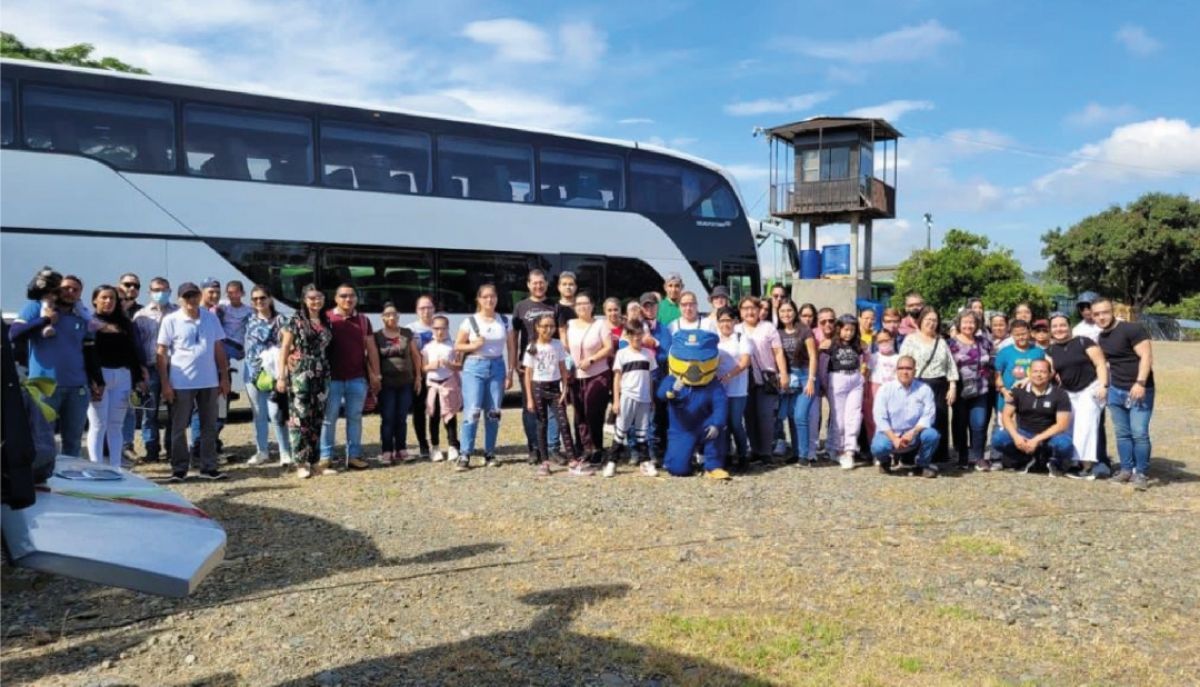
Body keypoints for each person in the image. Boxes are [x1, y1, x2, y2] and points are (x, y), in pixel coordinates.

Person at [11, 273, 90, 457]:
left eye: (75, 290)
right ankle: (46, 473)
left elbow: (89, 351)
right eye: (66, 288)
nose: (70, 292)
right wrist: (45, 320)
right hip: (44, 387)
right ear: (56, 289)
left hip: (77, 388)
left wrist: (95, 381)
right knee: (43, 441)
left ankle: (70, 475)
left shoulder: (81, 315)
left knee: (73, 442)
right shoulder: (37, 307)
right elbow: (13, 333)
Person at [157, 281, 230, 481]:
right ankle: (179, 469)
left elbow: (218, 348)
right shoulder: (171, 320)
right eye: (186, 296)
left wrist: (224, 377)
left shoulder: (210, 318)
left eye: (194, 295)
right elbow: (161, 352)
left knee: (209, 426)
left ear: (199, 296)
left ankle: (208, 467)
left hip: (209, 381)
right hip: (181, 382)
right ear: (180, 299)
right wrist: (165, 383)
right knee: (179, 427)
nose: (191, 300)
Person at [1092, 298, 1155, 490]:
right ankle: (1126, 470)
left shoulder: (1132, 329)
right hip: (1116, 390)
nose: (1101, 317)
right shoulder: (1102, 337)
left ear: (1112, 311)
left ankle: (1141, 473)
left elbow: (1146, 356)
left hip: (1139, 389)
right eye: (1096, 314)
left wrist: (1140, 383)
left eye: (1104, 312)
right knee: (1122, 434)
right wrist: (1105, 386)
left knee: (1139, 433)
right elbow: (1106, 364)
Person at [454, 283, 516, 470]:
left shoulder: (504, 321)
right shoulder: (470, 321)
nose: (489, 300)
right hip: (475, 366)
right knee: (472, 411)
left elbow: (511, 347)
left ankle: (490, 453)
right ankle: (465, 454)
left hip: (497, 366)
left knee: (493, 412)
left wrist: (510, 372)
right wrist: (473, 345)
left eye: (493, 296)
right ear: (479, 300)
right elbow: (458, 345)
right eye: (485, 297)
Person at [320, 284, 382, 471]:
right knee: (328, 419)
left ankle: (353, 456)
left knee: (354, 418)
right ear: (336, 298)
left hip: (357, 378)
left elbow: (371, 348)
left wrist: (376, 374)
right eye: (343, 296)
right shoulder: (326, 318)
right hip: (332, 379)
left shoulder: (363, 320)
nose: (348, 299)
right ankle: (325, 456)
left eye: (352, 295)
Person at [84, 285, 145, 467]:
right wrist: (94, 379)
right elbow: (87, 354)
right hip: (100, 377)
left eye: (112, 298)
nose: (108, 301)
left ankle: (116, 467)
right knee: (98, 424)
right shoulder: (90, 323)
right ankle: (96, 467)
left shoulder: (124, 323)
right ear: (95, 300)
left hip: (123, 376)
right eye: (104, 297)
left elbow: (131, 352)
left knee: (116, 425)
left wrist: (138, 378)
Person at [277, 284, 333, 479]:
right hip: (301, 373)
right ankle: (301, 462)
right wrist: (282, 375)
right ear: (304, 300)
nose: (316, 301)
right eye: (312, 298)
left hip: (322, 373)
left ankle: (314, 462)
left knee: (317, 417)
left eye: (319, 297)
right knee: (300, 417)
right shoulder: (295, 320)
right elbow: (285, 348)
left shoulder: (326, 320)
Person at [1046, 312, 1108, 478]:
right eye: (1055, 326)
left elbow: (1100, 363)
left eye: (1062, 325)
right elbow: (1047, 372)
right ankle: (1071, 461)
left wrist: (1103, 385)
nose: (1059, 329)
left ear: (1069, 326)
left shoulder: (1083, 341)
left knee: (1085, 425)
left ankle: (1086, 465)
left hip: (1090, 388)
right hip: (1069, 392)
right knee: (1067, 426)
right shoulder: (1050, 350)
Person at [991, 359, 1074, 475]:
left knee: (1065, 444)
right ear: (1029, 373)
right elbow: (1006, 416)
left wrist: (1037, 439)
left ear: (1050, 374)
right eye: (1035, 371)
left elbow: (1062, 425)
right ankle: (1025, 459)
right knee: (998, 439)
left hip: (1049, 436)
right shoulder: (1018, 390)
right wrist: (1016, 437)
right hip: (1024, 433)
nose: (1039, 375)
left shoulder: (1060, 394)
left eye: (1043, 372)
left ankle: (1055, 464)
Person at [523, 314, 581, 477]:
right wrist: (529, 398)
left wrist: (564, 389)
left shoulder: (557, 345)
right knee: (542, 424)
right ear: (537, 328)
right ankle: (545, 462)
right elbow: (528, 373)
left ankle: (572, 460)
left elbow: (563, 368)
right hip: (538, 387)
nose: (548, 330)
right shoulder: (532, 347)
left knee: (563, 423)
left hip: (555, 388)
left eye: (551, 326)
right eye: (545, 326)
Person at [899, 306, 957, 464]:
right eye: (928, 320)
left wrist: (952, 386)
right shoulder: (911, 339)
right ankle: (912, 453)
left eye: (934, 320)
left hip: (939, 385)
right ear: (921, 320)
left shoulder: (941, 341)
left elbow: (950, 365)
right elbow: (903, 363)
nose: (931, 323)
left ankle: (938, 455)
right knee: (917, 419)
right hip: (918, 384)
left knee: (939, 418)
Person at [513, 271, 561, 462]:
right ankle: (534, 448)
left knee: (554, 409)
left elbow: (560, 334)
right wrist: (514, 359)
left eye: (541, 282)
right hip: (529, 363)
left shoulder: (554, 306)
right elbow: (513, 335)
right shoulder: (521, 306)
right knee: (530, 407)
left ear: (547, 284)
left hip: (551, 364)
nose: (538, 286)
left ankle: (553, 448)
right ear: (528, 284)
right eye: (535, 283)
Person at [242, 285, 292, 466]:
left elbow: (288, 343)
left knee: (276, 413)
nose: (259, 301)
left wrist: (284, 372)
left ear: (270, 299)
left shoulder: (281, 320)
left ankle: (284, 452)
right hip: (252, 372)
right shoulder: (248, 319)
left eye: (262, 298)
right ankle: (262, 451)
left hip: (273, 371)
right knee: (258, 413)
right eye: (255, 299)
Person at [870, 355, 941, 478]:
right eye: (901, 368)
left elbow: (929, 415)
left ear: (915, 371)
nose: (905, 372)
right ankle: (885, 461)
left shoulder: (924, 389)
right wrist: (894, 438)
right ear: (896, 370)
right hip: (890, 434)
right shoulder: (885, 389)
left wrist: (913, 432)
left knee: (932, 435)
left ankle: (922, 465)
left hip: (914, 434)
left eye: (908, 368)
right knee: (878, 446)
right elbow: (880, 418)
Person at [736, 296, 788, 463]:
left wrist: (783, 373)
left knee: (765, 416)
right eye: (745, 309)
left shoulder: (768, 327)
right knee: (749, 416)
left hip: (766, 378)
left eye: (753, 308)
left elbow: (778, 352)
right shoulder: (736, 329)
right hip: (744, 380)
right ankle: (755, 449)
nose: (749, 312)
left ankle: (766, 451)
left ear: (759, 310)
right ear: (740, 312)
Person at [130, 277, 176, 462]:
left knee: (176, 411)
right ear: (149, 292)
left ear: (170, 291)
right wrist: (140, 370)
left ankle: (172, 448)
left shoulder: (177, 312)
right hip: (150, 368)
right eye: (157, 290)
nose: (160, 293)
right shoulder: (141, 316)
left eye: (164, 290)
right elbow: (136, 345)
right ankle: (151, 450)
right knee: (150, 412)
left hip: (175, 368)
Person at [564, 291, 613, 464]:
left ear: (592, 306)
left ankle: (597, 448)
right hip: (576, 376)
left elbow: (608, 348)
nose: (582, 307)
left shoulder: (600, 324)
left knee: (594, 412)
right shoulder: (569, 324)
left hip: (597, 375)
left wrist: (591, 359)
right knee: (579, 414)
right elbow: (565, 348)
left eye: (585, 303)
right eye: (578, 304)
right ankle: (583, 448)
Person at [609, 320, 658, 477]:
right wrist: (616, 400)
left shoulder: (648, 354)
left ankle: (645, 462)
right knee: (621, 429)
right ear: (628, 336)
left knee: (643, 431)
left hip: (644, 398)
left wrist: (651, 398)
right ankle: (612, 462)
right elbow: (617, 378)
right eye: (633, 335)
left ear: (643, 334)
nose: (636, 338)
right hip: (627, 396)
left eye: (639, 334)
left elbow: (650, 378)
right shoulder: (622, 354)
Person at [376, 302, 422, 464]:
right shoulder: (377, 336)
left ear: (398, 316)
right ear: (382, 318)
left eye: (394, 314)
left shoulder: (407, 333)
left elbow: (416, 355)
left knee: (401, 418)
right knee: (388, 418)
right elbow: (372, 359)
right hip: (386, 384)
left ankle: (401, 449)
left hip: (406, 382)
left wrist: (418, 377)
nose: (391, 317)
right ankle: (387, 451)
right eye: (388, 315)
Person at [948, 311, 993, 470]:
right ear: (959, 324)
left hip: (981, 388)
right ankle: (962, 456)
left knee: (979, 423)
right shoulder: (950, 344)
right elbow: (948, 367)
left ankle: (978, 457)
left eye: (972, 322)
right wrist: (951, 386)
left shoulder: (984, 342)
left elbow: (992, 361)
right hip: (960, 389)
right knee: (960, 423)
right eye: (965, 322)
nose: (969, 325)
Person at [776, 300, 818, 466]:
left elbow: (813, 355)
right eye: (782, 311)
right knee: (792, 416)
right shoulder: (778, 332)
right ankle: (796, 452)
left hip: (805, 375)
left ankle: (804, 455)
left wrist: (811, 380)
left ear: (795, 312)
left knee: (800, 415)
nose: (786, 314)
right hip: (790, 377)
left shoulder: (804, 330)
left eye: (789, 310)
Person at [714, 306, 752, 471]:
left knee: (736, 423)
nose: (725, 324)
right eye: (722, 320)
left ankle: (743, 455)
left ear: (735, 321)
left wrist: (730, 375)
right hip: (719, 390)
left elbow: (745, 361)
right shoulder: (714, 339)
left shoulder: (741, 338)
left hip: (737, 389)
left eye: (728, 320)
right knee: (723, 424)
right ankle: (727, 455)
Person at [826, 315, 866, 469]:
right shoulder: (831, 344)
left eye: (852, 330)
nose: (849, 333)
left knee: (853, 417)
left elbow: (866, 360)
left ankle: (849, 451)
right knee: (839, 419)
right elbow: (823, 364)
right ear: (839, 329)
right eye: (846, 330)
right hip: (838, 378)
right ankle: (835, 447)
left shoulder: (859, 345)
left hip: (855, 379)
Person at [421, 315, 461, 463]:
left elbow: (459, 365)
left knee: (450, 415)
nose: (440, 332)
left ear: (447, 329)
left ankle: (453, 445)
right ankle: (435, 446)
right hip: (433, 386)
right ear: (432, 329)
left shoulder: (453, 346)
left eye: (443, 328)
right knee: (434, 416)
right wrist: (431, 366)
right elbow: (423, 367)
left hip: (448, 384)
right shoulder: (427, 348)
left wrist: (449, 365)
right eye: (436, 328)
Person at [405, 294, 438, 459]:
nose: (426, 311)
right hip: (418, 376)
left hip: (437, 376)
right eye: (422, 308)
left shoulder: (440, 326)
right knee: (419, 411)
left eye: (429, 307)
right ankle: (423, 444)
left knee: (435, 410)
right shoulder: (410, 329)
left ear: (434, 309)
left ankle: (435, 443)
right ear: (416, 310)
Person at [993, 320, 1045, 417]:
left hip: (1032, 402)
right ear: (1012, 335)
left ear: (1029, 332)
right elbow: (997, 375)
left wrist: (1030, 379)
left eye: (1023, 334)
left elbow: (1045, 373)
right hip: (1008, 402)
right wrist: (1004, 391)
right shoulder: (1004, 352)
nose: (1021, 337)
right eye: (1017, 335)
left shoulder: (1038, 351)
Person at [865, 328, 899, 465]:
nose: (884, 343)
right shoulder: (873, 357)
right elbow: (867, 374)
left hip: (893, 390)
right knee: (873, 421)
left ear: (892, 340)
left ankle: (893, 450)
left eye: (887, 340)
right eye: (880, 341)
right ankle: (876, 451)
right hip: (875, 388)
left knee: (892, 421)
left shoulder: (898, 357)